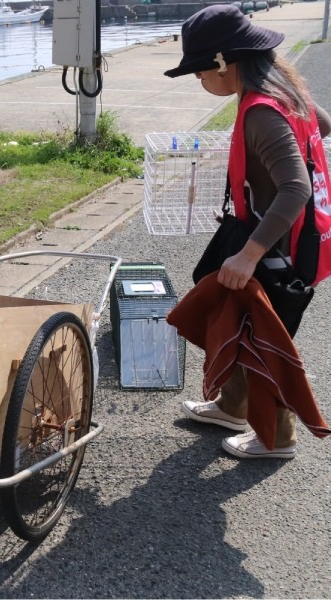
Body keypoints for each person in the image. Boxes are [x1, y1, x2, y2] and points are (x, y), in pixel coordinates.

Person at [164, 5, 331, 459]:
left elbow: (295, 188)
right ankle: (233, 405)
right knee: (236, 314)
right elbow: (323, 125)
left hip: (279, 248)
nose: (200, 80)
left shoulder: (262, 112)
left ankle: (277, 438)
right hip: (293, 237)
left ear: (224, 63)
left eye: (201, 71)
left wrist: (249, 254)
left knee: (265, 338)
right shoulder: (285, 92)